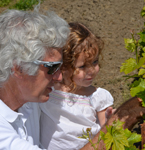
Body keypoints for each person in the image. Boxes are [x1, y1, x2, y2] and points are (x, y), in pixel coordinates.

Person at [0, 7, 70, 150]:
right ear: (19, 68)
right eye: (52, 67)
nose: (59, 77)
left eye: (60, 66)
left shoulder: (30, 101)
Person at [40, 23, 114, 150]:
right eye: (82, 66)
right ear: (63, 66)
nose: (92, 70)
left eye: (95, 62)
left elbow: (107, 130)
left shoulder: (98, 97)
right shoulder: (48, 90)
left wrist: (110, 120)